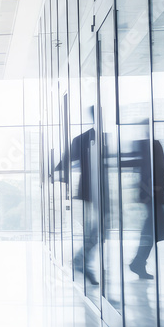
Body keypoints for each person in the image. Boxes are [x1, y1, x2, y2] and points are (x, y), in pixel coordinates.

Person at [54, 106, 100, 285]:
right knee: (95, 231)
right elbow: (65, 161)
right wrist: (54, 174)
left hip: (100, 192)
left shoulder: (103, 138)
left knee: (96, 232)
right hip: (89, 193)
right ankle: (81, 261)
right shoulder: (81, 139)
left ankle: (82, 260)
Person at [124, 130, 164, 280]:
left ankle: (138, 262)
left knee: (152, 230)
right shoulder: (149, 145)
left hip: (152, 192)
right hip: (153, 192)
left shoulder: (148, 144)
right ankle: (138, 262)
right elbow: (151, 168)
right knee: (152, 230)